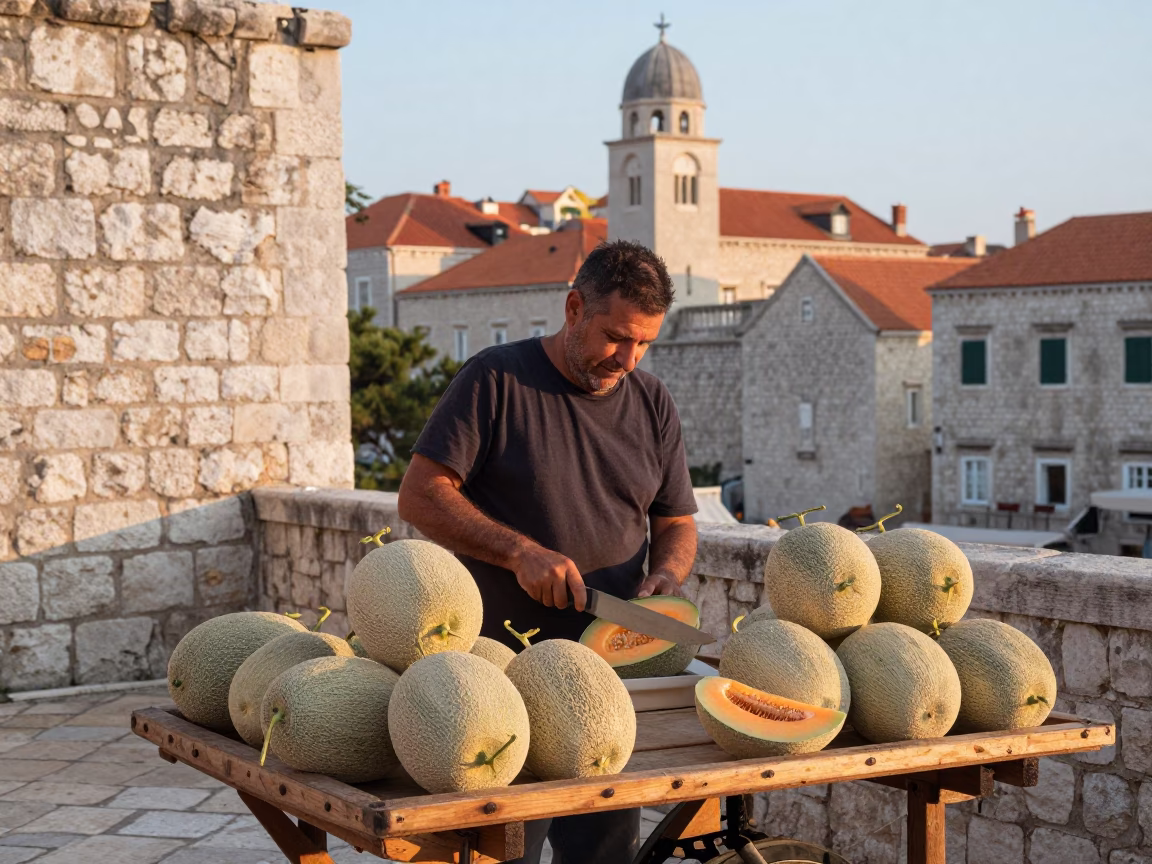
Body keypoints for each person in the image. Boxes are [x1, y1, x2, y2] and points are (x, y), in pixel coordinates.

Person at [397, 239, 699, 864]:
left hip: (604, 682)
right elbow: (421, 496)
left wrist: (667, 574)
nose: (628, 358)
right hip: (496, 679)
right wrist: (518, 552)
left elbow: (676, 521)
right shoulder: (494, 378)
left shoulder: (652, 400)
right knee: (503, 854)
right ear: (573, 307)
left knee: (604, 855)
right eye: (616, 337)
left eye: (644, 343)